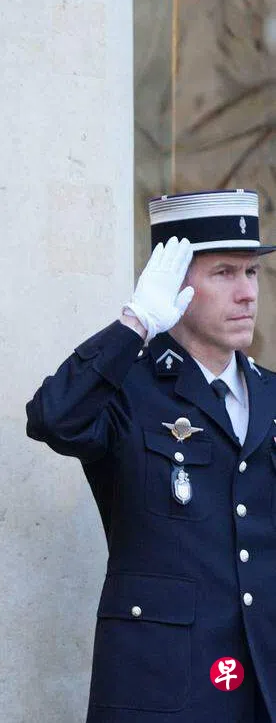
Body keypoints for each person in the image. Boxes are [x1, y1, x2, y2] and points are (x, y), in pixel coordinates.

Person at [26, 189, 276, 721]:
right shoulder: (128, 391)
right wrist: (135, 322)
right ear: (175, 283)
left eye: (251, 272)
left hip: (262, 687)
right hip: (162, 689)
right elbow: (53, 418)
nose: (246, 293)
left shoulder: (273, 397)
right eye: (224, 273)